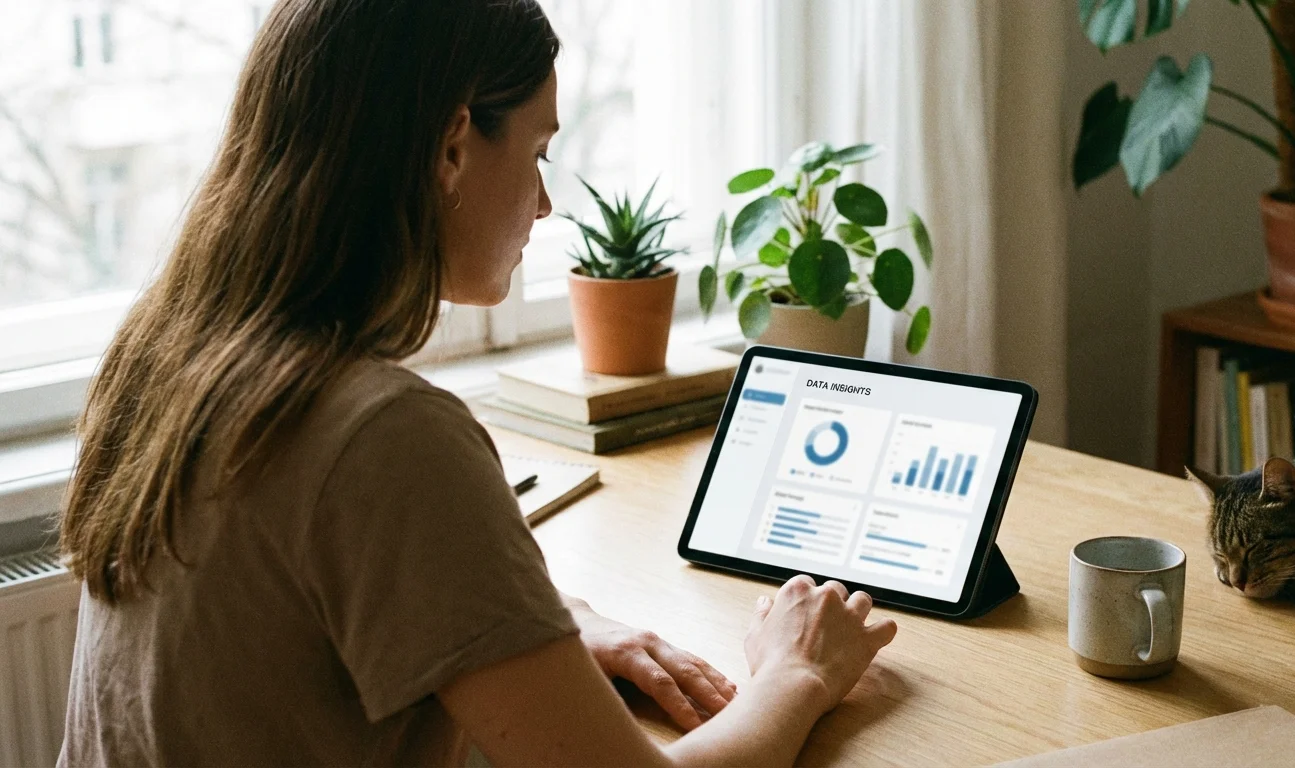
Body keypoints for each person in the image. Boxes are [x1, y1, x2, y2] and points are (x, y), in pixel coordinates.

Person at [56, 1, 897, 765]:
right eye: (536, 150)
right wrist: (796, 673)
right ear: (453, 146)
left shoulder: (167, 357)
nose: (544, 203)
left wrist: (551, 625)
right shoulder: (386, 434)